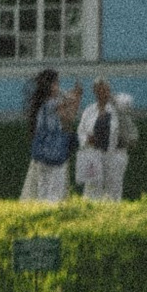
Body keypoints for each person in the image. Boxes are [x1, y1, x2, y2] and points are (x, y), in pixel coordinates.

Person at [21, 68, 79, 202]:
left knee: (43, 186)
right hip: (54, 147)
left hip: (43, 148)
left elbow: (68, 116)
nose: (58, 85)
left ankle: (43, 209)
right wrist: (71, 94)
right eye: (56, 83)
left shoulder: (41, 103)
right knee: (55, 186)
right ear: (50, 85)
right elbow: (69, 102)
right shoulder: (50, 103)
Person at [75, 78, 137, 204]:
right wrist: (87, 139)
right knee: (92, 187)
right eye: (98, 90)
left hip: (115, 154)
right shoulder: (89, 110)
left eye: (104, 90)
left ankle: (112, 214)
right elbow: (80, 131)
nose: (101, 93)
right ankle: (91, 211)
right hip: (94, 154)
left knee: (113, 187)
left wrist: (113, 99)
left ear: (109, 90)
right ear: (94, 92)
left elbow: (128, 103)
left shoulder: (117, 107)